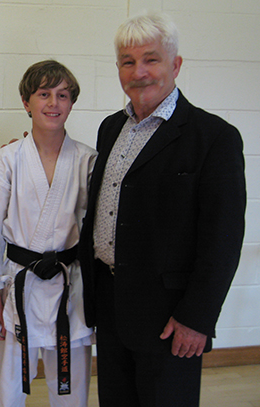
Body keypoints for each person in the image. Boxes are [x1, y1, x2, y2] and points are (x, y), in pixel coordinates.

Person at [78, 12, 246, 407]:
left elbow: (222, 239)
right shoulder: (110, 129)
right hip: (112, 303)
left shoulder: (214, 137)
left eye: (151, 59)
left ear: (176, 64)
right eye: (128, 61)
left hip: (170, 317)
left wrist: (197, 317)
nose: (139, 72)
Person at [0, 60, 97, 407]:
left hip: (70, 285)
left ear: (72, 102)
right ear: (25, 101)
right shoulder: (8, 159)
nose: (53, 103)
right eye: (44, 94)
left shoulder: (88, 159)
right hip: (21, 285)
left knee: (71, 389)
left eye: (62, 95)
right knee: (9, 390)